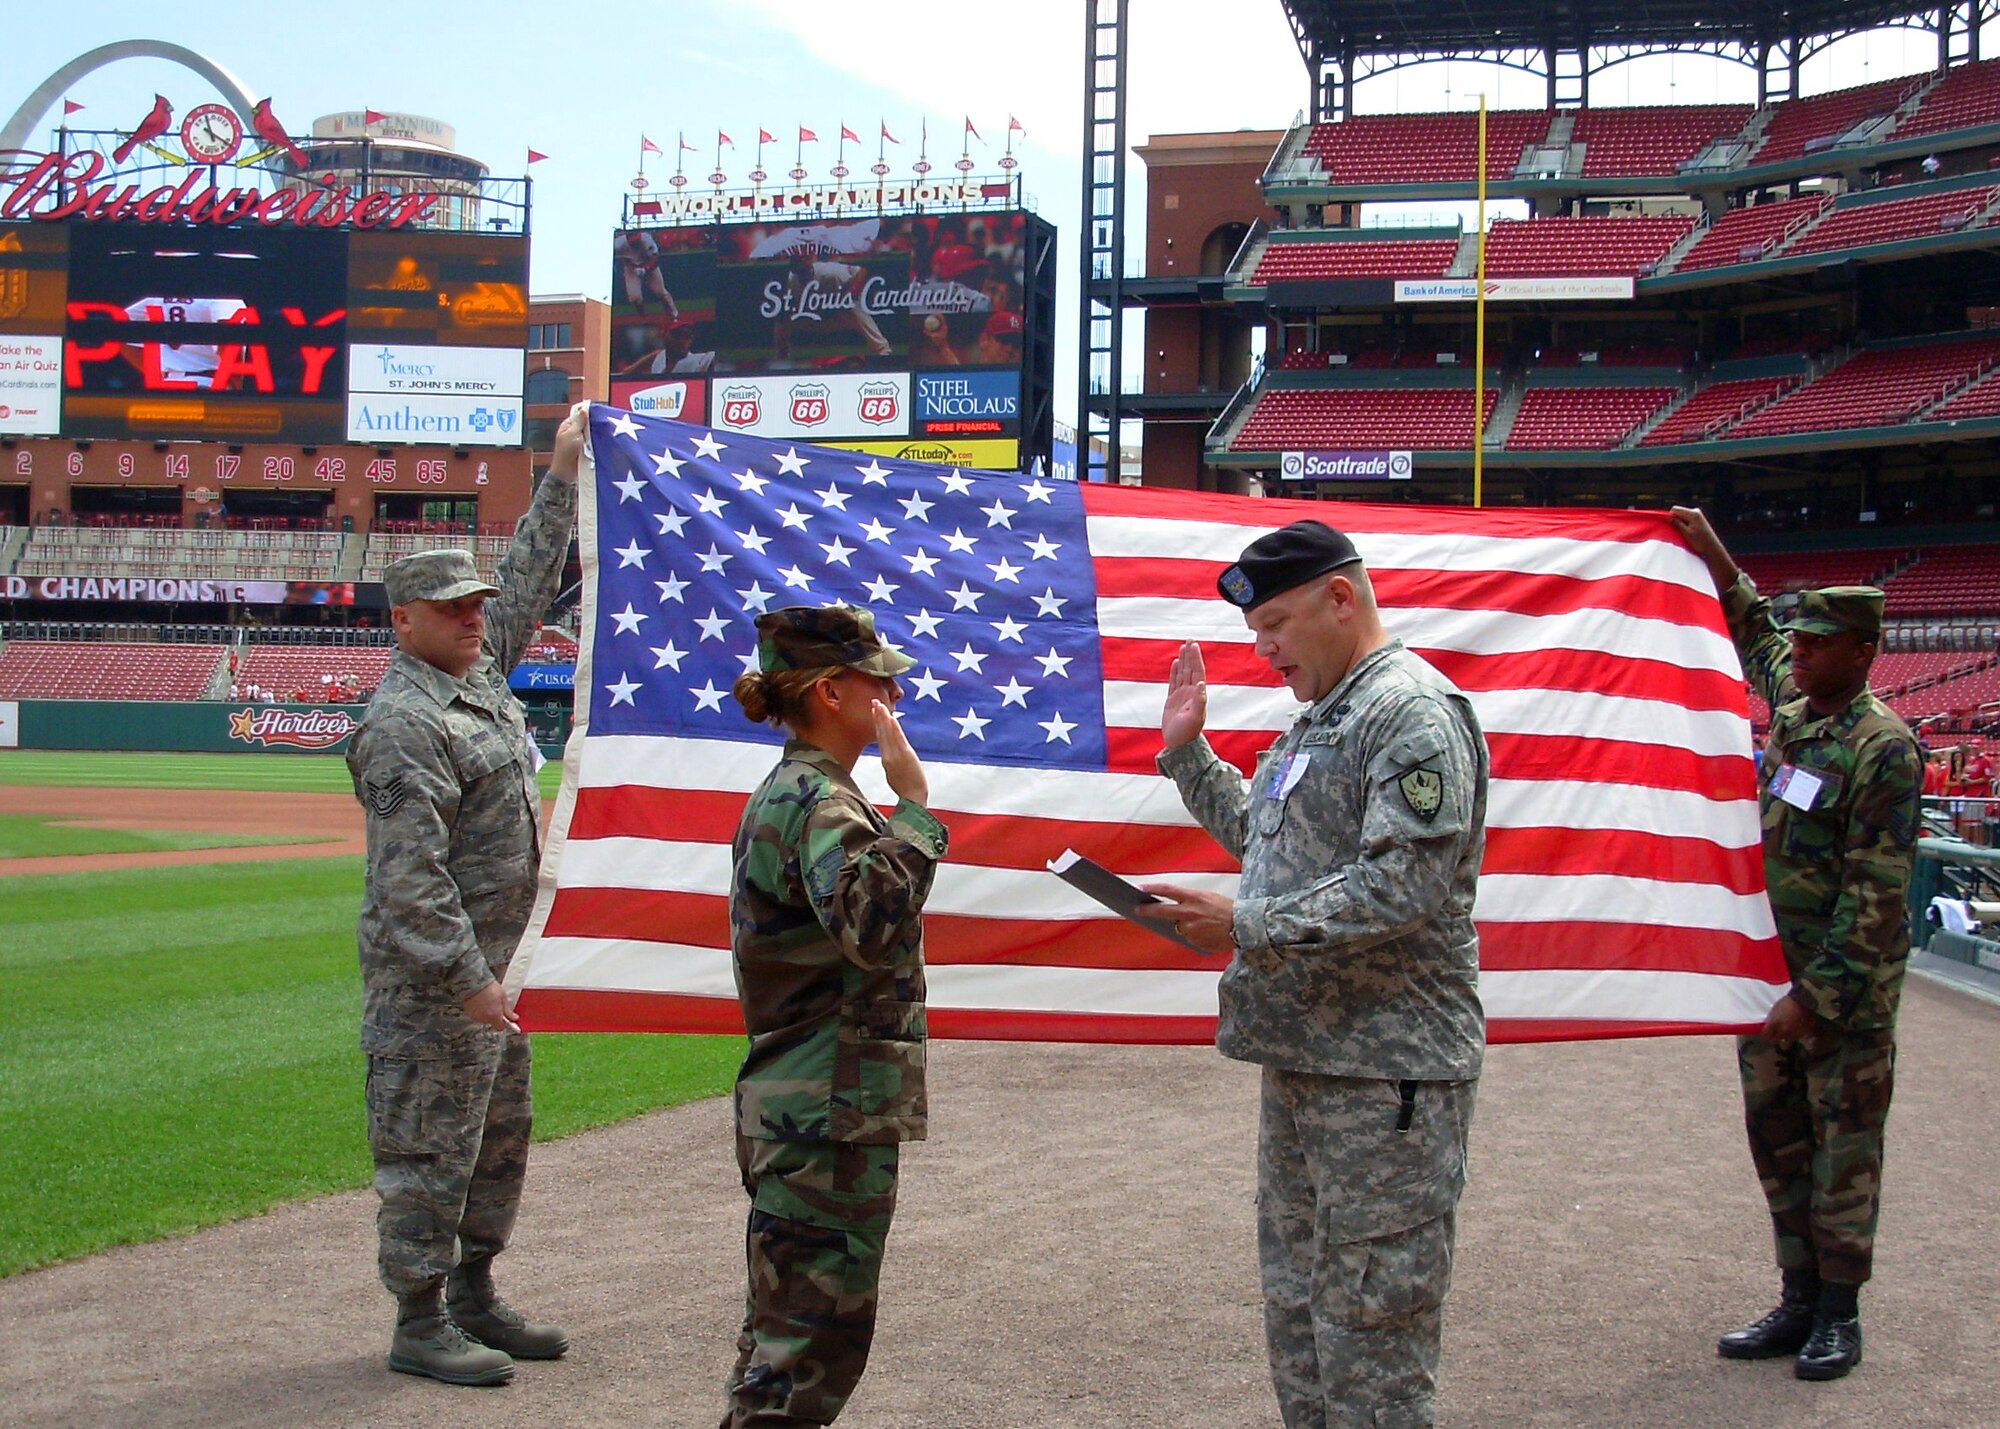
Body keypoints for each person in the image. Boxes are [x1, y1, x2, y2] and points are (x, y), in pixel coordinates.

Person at [1135, 520, 1487, 1429]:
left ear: (1343, 598)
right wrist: (1185, 755)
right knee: (1301, 1313)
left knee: (1373, 1331)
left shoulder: (1409, 710)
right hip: (1310, 1060)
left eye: (1278, 623)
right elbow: (1271, 837)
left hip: (1386, 1074)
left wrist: (1243, 923)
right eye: (1257, 631)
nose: (1264, 648)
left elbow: (1405, 882)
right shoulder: (1329, 714)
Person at [346, 406, 585, 1387]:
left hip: (496, 970)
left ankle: (477, 1291)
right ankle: (419, 1316)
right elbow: (410, 884)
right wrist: (468, 977)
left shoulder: (475, 678)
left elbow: (528, 573)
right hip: (437, 987)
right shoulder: (404, 721)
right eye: (453, 608)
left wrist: (563, 472)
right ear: (404, 621)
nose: (475, 615)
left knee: (496, 1141)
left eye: (476, 605)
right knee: (429, 1147)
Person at [1670, 507, 1922, 1383]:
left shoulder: (1882, 748)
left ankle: (1839, 1314)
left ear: (1863, 651)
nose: (1801, 652)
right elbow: (1756, 630)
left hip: (1835, 999)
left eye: (1822, 642)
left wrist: (1812, 999)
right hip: (1768, 982)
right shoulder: (1797, 704)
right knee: (1776, 1140)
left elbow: (1876, 897)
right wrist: (1713, 549)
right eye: (1802, 640)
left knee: (1841, 1149)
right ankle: (1797, 1295)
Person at [721, 604, 946, 1427]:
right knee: (806, 1353)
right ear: (829, 691)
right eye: (875, 678)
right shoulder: (821, 801)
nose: (891, 690)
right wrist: (915, 808)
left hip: (807, 1104)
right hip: (823, 1114)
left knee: (781, 1343)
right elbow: (868, 925)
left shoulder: (802, 792)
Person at [772, 250, 894, 363]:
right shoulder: (791, 280)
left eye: (800, 260)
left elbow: (860, 271)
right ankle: (781, 358)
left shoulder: (831, 272)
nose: (798, 265)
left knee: (855, 310)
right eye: (795, 261)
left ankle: (883, 351)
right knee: (783, 318)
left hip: (840, 313)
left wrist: (851, 292)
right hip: (817, 316)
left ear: (808, 263)